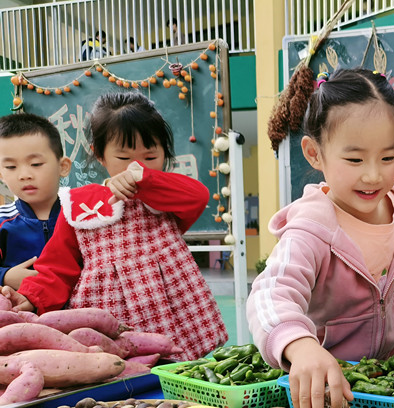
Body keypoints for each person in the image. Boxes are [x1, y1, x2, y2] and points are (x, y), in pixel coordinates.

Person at [247, 68, 394, 408]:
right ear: (315, 153)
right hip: (323, 391)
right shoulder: (312, 228)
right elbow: (270, 293)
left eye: (388, 158)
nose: (374, 175)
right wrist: (301, 346)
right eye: (355, 160)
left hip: (382, 387)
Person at [1, 92, 228, 360]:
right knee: (118, 373)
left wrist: (147, 180)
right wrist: (32, 296)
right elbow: (58, 267)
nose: (136, 167)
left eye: (150, 156)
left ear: (165, 153)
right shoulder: (80, 204)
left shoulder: (166, 196)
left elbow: (198, 196)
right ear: (100, 157)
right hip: (109, 315)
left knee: (181, 368)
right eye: (124, 158)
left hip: (172, 309)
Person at [0, 113, 71, 290]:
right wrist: (5, 276)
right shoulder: (2, 220)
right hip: (16, 315)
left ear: (63, 167)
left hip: (78, 313)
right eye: (11, 167)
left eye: (36, 164)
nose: (24, 175)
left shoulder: (81, 218)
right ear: (1, 175)